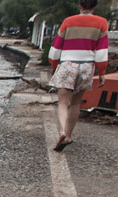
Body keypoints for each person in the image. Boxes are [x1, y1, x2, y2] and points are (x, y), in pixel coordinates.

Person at [48, 0, 108, 152]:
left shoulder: (69, 21)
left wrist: (54, 66)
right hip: (87, 66)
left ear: (80, 6)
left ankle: (61, 131)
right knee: (75, 103)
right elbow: (101, 52)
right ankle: (68, 135)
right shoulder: (101, 23)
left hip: (68, 64)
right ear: (94, 6)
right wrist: (101, 72)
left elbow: (56, 48)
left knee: (63, 102)